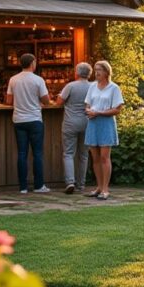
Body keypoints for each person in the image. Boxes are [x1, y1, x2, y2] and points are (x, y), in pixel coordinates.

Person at [6, 53, 51, 194]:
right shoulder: (38, 80)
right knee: (37, 153)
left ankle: (23, 187)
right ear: (32, 63)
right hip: (35, 119)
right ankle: (38, 186)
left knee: (22, 153)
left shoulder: (13, 79)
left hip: (19, 120)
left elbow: (8, 101)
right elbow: (46, 100)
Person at [84, 61, 124, 200]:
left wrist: (99, 113)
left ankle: (106, 190)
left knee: (104, 157)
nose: (97, 73)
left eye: (100, 70)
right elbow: (87, 105)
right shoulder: (92, 87)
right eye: (95, 70)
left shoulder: (114, 88)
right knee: (95, 158)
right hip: (92, 123)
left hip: (106, 123)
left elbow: (117, 109)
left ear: (107, 72)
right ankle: (99, 187)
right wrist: (88, 111)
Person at [58, 63, 93, 194]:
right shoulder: (93, 87)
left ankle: (70, 182)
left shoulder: (70, 86)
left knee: (68, 153)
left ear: (76, 73)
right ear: (89, 74)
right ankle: (81, 184)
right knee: (84, 155)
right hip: (87, 123)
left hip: (70, 123)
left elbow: (59, 102)